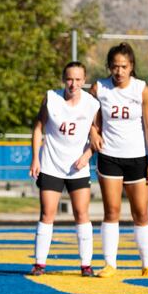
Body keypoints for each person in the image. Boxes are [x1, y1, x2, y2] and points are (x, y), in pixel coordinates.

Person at [89, 43, 148, 278]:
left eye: (124, 66)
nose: (119, 71)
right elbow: (90, 119)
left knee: (141, 213)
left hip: (137, 158)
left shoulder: (141, 89)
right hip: (109, 156)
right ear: (109, 67)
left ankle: (147, 264)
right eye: (115, 66)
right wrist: (93, 133)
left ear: (131, 66)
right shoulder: (99, 88)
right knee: (111, 211)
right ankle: (110, 264)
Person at [28, 61, 99, 277]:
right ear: (63, 79)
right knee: (47, 213)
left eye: (78, 79)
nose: (73, 84)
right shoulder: (51, 98)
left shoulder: (92, 104)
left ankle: (86, 265)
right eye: (69, 79)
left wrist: (87, 156)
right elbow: (38, 128)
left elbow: (98, 135)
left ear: (84, 81)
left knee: (81, 213)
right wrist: (35, 159)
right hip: (51, 165)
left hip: (78, 168)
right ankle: (39, 263)